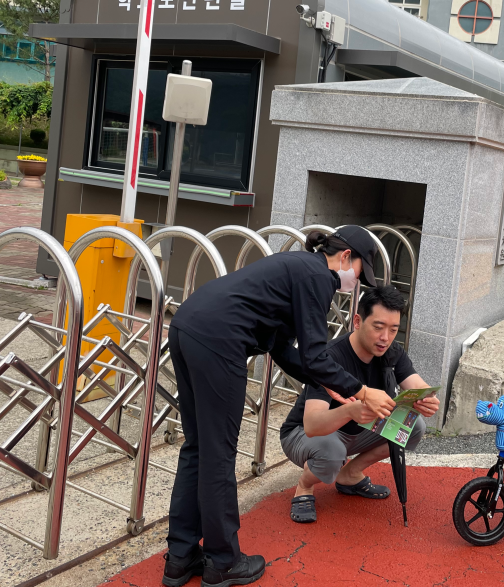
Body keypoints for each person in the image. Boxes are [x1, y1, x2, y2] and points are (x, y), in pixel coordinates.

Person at [163, 226, 396, 587]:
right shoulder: (319, 277)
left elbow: (281, 347)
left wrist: (330, 385)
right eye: (360, 273)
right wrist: (363, 391)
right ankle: (223, 561)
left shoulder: (298, 266)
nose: (355, 284)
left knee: (197, 448)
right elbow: (316, 354)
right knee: (218, 454)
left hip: (187, 326)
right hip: (220, 341)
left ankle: (180, 557)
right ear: (346, 257)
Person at [279, 286, 439, 523]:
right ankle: (304, 486)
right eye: (378, 327)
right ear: (357, 321)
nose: (385, 338)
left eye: (393, 330)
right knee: (333, 452)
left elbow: (417, 386)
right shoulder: (330, 358)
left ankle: (350, 474)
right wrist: (350, 411)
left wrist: (427, 400)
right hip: (304, 434)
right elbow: (312, 425)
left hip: (356, 432)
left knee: (414, 427)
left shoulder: (391, 352)